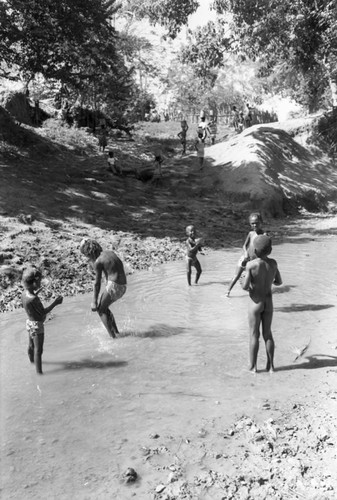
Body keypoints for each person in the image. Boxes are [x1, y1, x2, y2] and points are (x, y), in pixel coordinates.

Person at [241, 234, 282, 373]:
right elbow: (279, 282)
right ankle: (271, 367)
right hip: (268, 302)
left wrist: (243, 280)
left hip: (255, 303)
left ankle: (253, 368)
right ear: (270, 250)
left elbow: (245, 286)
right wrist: (269, 281)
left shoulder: (251, 265)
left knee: (254, 335)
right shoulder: (273, 263)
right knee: (267, 334)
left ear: (255, 250)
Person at [80, 239, 127, 338]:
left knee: (100, 310)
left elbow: (97, 283)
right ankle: (117, 333)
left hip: (115, 285)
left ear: (89, 253)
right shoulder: (110, 253)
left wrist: (94, 301)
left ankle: (113, 338)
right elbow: (114, 268)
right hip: (123, 285)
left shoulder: (98, 261)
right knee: (105, 307)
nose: (87, 258)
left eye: (87, 255)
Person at [21, 267, 63, 374]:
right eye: (39, 281)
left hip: (29, 323)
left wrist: (38, 291)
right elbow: (43, 312)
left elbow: (32, 300)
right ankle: (39, 373)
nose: (40, 283)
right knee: (38, 350)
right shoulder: (34, 299)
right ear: (34, 282)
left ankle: (31, 363)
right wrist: (55, 303)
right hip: (37, 325)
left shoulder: (24, 294)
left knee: (31, 346)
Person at [226, 212, 265, 297]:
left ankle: (252, 293)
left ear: (261, 222)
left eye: (257, 223)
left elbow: (265, 249)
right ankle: (227, 292)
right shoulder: (251, 234)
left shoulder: (264, 236)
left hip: (254, 262)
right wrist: (246, 252)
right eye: (252, 223)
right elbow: (244, 245)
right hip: (245, 259)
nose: (254, 225)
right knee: (236, 275)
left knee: (253, 281)